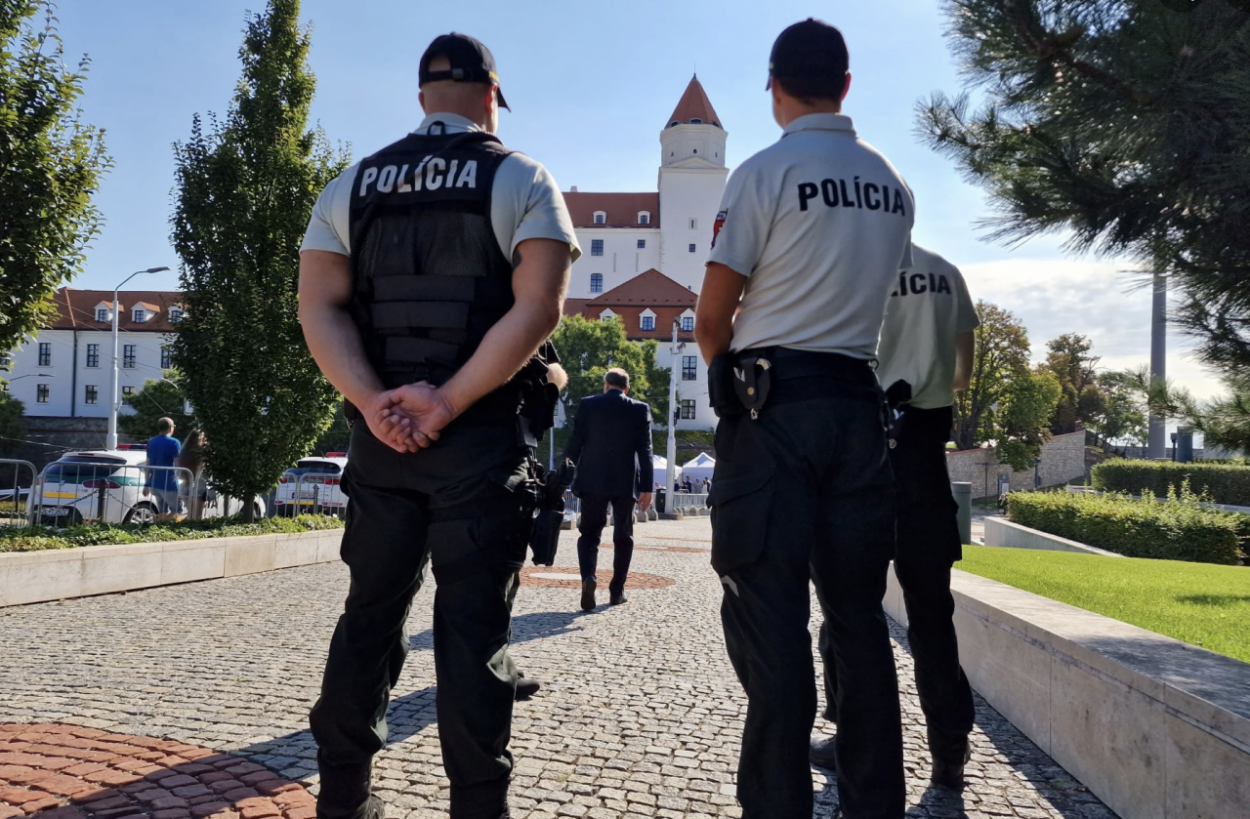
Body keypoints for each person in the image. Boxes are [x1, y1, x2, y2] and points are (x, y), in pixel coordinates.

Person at [297, 32, 577, 819]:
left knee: (369, 618)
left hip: (382, 442)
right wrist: (448, 400)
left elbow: (316, 305)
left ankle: (344, 797)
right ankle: (478, 806)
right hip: (479, 442)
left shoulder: (351, 184)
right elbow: (539, 308)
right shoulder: (522, 176)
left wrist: (375, 402)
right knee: (472, 632)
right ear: (493, 96)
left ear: (421, 97)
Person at [695, 19, 915, 819]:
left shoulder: (765, 171)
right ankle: (874, 804)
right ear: (847, 85)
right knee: (858, 622)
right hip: (859, 406)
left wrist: (732, 389)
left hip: (776, 406)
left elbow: (711, 315)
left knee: (772, 621)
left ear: (774, 87)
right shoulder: (893, 183)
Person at [810, 245, 980, 789]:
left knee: (848, 608)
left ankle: (852, 737)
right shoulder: (947, 272)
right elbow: (962, 374)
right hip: (925, 449)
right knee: (933, 615)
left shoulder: (853, 263)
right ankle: (949, 750)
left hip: (864, 445)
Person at [563, 368, 653, 611]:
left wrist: (565, 474)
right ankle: (616, 590)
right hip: (625, 482)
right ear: (627, 388)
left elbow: (575, 442)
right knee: (623, 536)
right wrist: (647, 487)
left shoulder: (588, 405)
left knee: (589, 533)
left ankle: (588, 578)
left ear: (605, 385)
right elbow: (645, 450)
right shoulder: (639, 408)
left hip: (592, 479)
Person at [142, 417, 182, 522]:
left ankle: (158, 527)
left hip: (155, 482)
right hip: (169, 482)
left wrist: (146, 484)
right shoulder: (174, 442)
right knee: (177, 511)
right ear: (170, 428)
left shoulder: (151, 442)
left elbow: (148, 464)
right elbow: (178, 464)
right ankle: (159, 526)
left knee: (162, 511)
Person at [177, 428, 208, 521]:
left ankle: (189, 530)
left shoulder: (184, 450)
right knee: (197, 516)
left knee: (190, 514)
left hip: (185, 483)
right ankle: (195, 532)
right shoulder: (201, 451)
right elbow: (204, 466)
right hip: (198, 483)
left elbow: (179, 465)